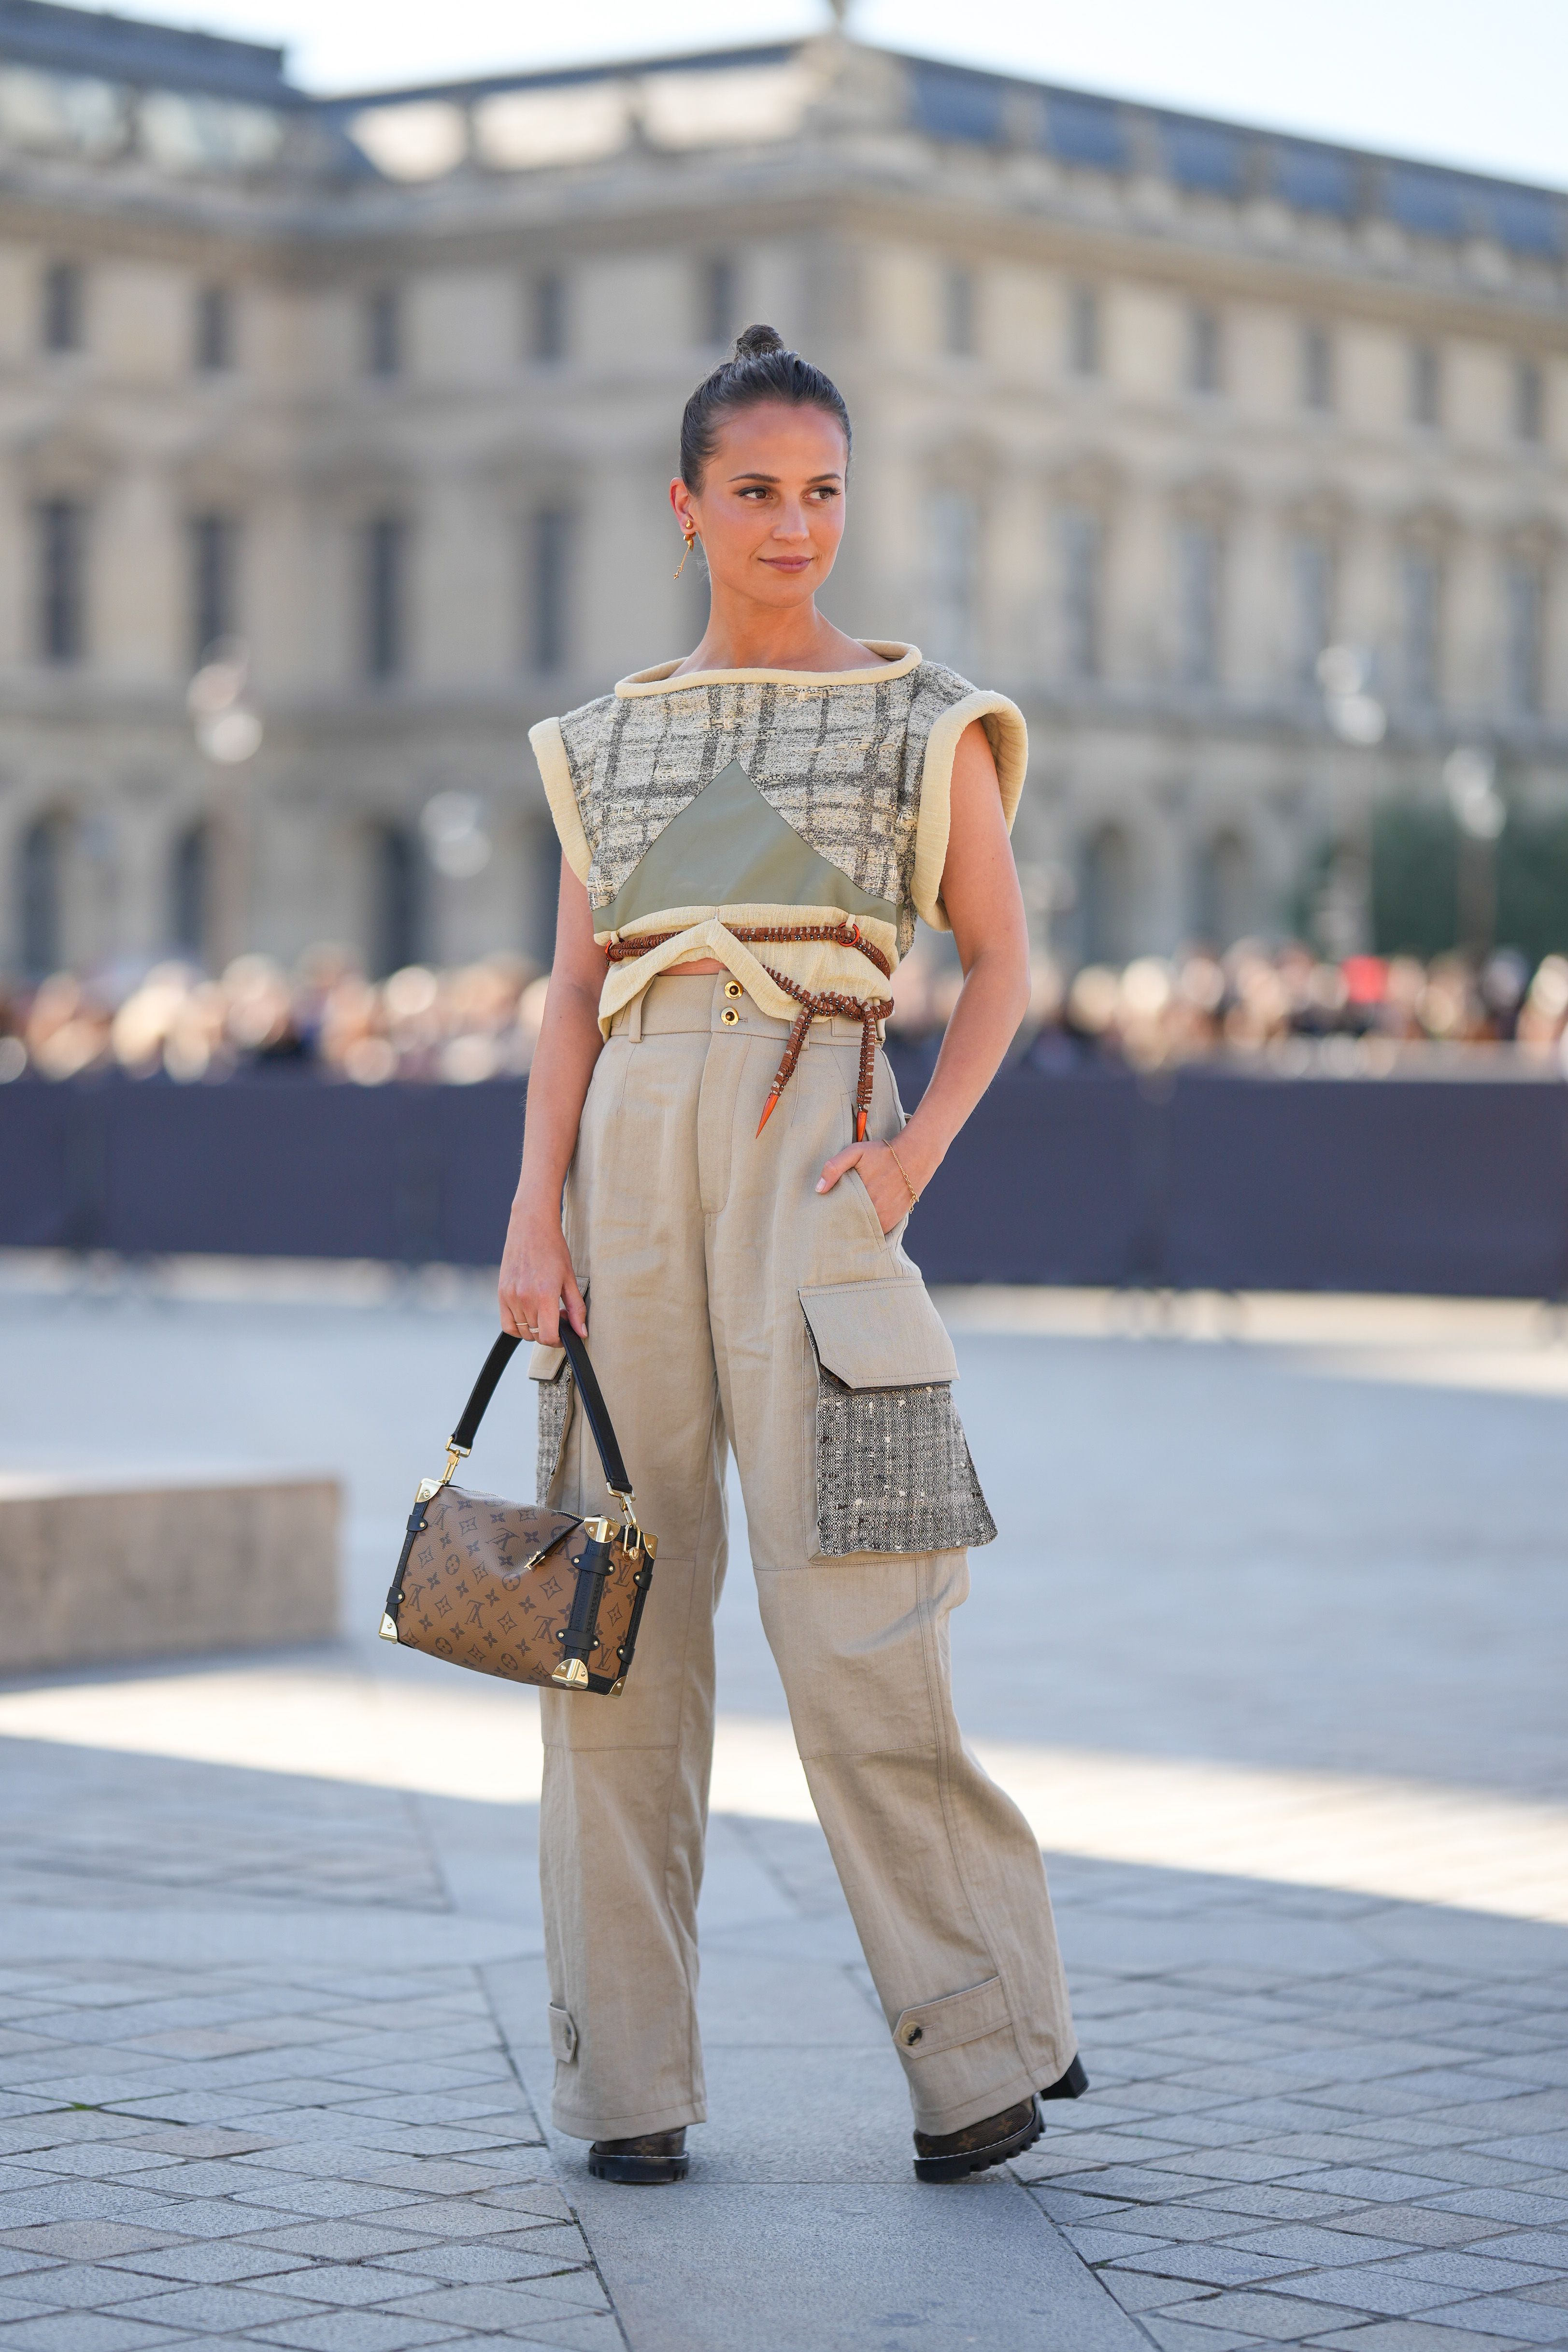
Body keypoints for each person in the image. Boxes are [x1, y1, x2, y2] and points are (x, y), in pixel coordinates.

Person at [499, 324, 1083, 2187]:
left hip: (825, 1169)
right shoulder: (606, 740)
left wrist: (911, 1152)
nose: (794, 525)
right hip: (619, 1185)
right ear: (687, 508)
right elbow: (573, 998)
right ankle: (630, 2093)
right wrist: (533, 1222)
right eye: (756, 492)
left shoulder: (930, 719)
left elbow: (1003, 965)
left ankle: (984, 2049)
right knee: (612, 1641)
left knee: (874, 1627)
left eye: (822, 491)